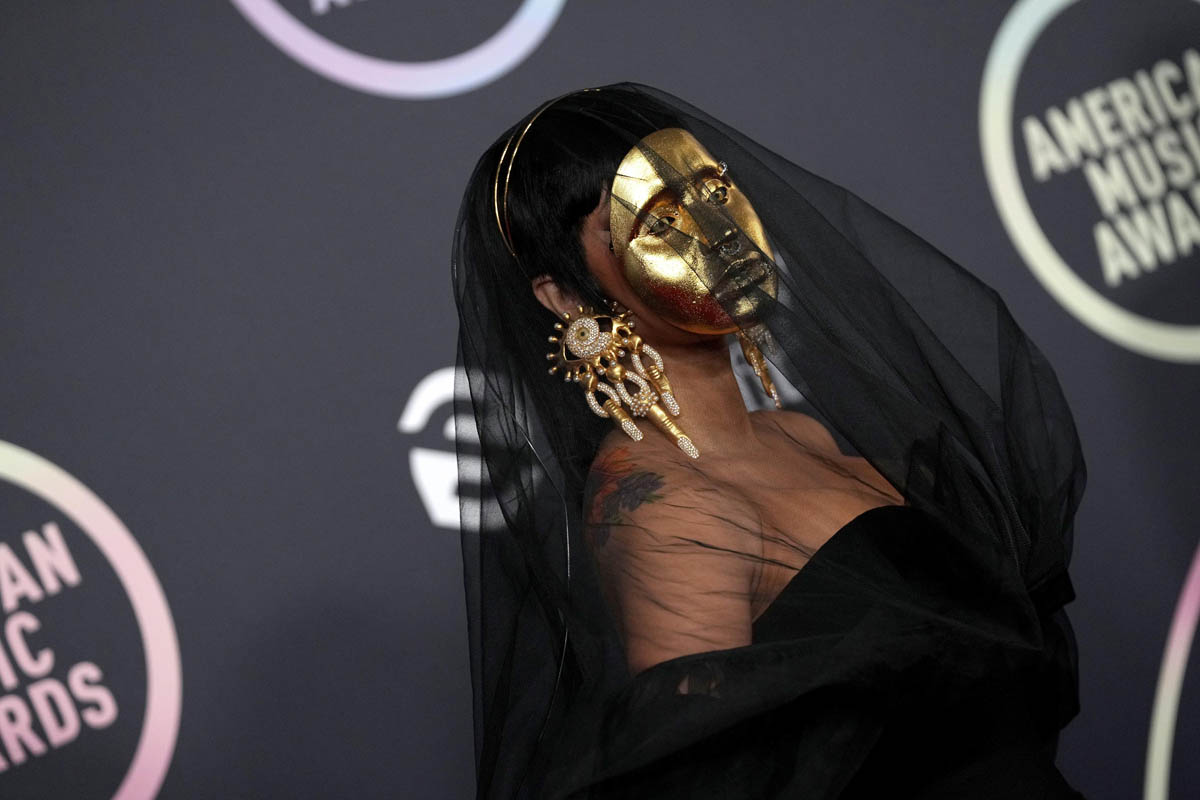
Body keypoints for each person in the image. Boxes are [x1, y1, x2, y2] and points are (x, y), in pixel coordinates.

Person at [452, 83, 1087, 798]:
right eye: (662, 219)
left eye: (713, 189)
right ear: (567, 298)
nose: (717, 230)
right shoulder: (664, 512)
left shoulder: (800, 433)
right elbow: (711, 783)